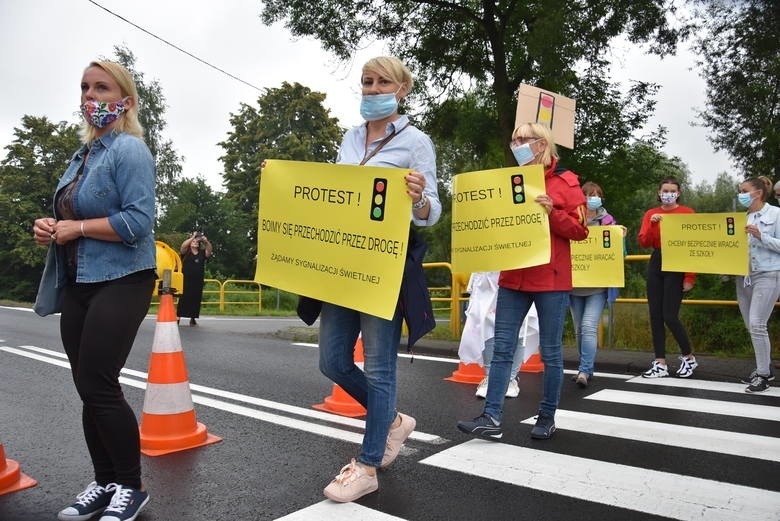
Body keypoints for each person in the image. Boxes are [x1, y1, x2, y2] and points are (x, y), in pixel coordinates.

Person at [32, 61, 155, 521]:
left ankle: (131, 485)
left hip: (122, 279)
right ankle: (104, 482)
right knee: (87, 386)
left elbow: (139, 223)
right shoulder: (82, 156)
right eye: (85, 88)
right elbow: (69, 219)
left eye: (102, 88)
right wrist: (50, 228)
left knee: (100, 384)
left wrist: (77, 226)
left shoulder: (130, 150)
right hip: (78, 282)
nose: (91, 96)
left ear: (125, 100)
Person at [317, 56, 441, 503]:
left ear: (402, 89)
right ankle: (391, 421)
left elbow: (432, 214)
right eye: (366, 82)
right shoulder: (349, 138)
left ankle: (368, 464)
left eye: (381, 82)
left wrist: (419, 198)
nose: (371, 89)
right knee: (332, 362)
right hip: (341, 261)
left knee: (380, 364)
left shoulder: (415, 141)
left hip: (384, 264)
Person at [457, 122, 588, 441]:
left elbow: (581, 231)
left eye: (523, 139)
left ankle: (547, 416)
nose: (516, 143)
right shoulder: (507, 181)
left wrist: (552, 212)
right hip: (513, 278)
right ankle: (491, 416)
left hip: (551, 280)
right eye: (514, 138)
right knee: (502, 348)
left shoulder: (566, 183)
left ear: (542, 144)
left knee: (551, 352)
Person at [637, 176, 698, 378]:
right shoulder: (651, 213)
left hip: (678, 261)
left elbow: (693, 246)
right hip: (657, 259)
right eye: (665, 190)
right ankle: (660, 362)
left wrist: (689, 276)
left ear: (678, 193)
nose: (668, 194)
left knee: (670, 316)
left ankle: (689, 357)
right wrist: (653, 225)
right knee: (655, 315)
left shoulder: (688, 213)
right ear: (659, 192)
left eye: (672, 190)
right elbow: (644, 242)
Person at [569, 181, 625, 388]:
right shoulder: (573, 218)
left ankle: (584, 370)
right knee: (578, 330)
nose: (593, 198)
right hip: (574, 285)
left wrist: (622, 237)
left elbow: (617, 251)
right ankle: (586, 367)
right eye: (589, 194)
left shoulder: (608, 221)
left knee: (588, 326)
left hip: (598, 286)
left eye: (597, 195)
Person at [458, 271, 539, 398]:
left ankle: (510, 379)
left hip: (519, 270)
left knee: (520, 323)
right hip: (489, 272)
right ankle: (491, 378)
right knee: (486, 322)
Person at [735, 176, 780, 393]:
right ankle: (764, 367)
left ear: (758, 193)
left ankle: (763, 375)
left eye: (744, 190)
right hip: (744, 276)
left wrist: (762, 236)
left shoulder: (776, 214)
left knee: (757, 324)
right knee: (750, 325)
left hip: (768, 273)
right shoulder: (741, 217)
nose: (740, 193)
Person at [178, 231, 212, 326]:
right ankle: (178, 317)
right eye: (193, 241)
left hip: (197, 280)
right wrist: (193, 237)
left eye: (197, 241)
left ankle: (193, 318)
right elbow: (183, 246)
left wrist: (206, 241)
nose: (195, 242)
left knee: (195, 299)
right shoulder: (186, 252)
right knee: (183, 298)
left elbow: (209, 250)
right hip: (186, 279)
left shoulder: (201, 253)